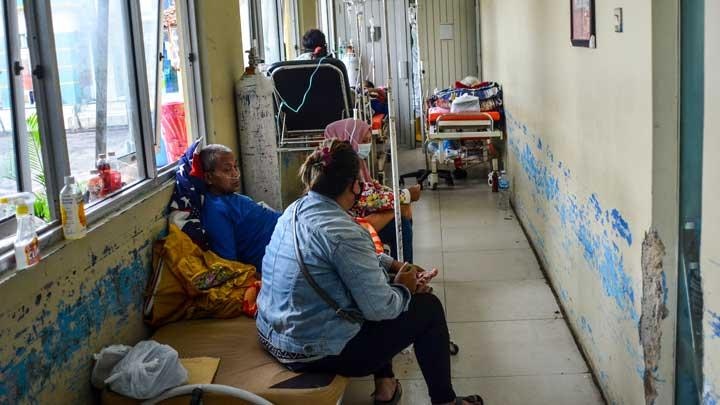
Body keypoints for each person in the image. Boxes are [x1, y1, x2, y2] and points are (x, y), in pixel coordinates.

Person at [256, 140, 483, 405]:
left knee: (369, 287)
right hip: (310, 351)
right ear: (353, 185)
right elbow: (381, 308)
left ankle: (386, 387)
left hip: (273, 335)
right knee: (428, 308)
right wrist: (404, 287)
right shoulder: (344, 231)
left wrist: (394, 266)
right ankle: (445, 401)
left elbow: (349, 259)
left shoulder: (295, 210)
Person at [324, 118, 420, 263]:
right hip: (348, 223)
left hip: (361, 214)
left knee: (402, 211)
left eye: (369, 140)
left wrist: (399, 194)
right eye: (364, 140)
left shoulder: (358, 163)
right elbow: (368, 199)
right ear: (351, 138)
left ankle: (403, 268)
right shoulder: (339, 169)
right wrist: (404, 196)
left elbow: (372, 187)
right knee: (402, 223)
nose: (368, 144)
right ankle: (404, 270)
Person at [198, 144, 280, 272]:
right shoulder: (216, 211)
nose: (235, 174)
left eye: (235, 167)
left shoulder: (231, 197)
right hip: (282, 247)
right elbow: (229, 263)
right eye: (227, 170)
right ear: (209, 177)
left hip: (287, 226)